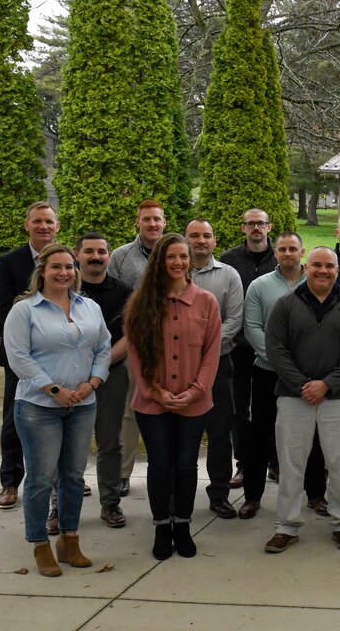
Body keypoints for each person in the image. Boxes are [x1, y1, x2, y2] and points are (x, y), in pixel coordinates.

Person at [4, 244, 110, 576]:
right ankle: (39, 545)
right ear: (42, 272)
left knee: (74, 477)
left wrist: (92, 383)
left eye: (69, 267)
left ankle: (69, 540)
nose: (64, 272)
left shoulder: (89, 306)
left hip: (83, 405)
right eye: (56, 267)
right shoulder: (25, 310)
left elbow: (104, 347)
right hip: (39, 407)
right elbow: (19, 357)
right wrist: (54, 389)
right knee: (39, 479)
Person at [262, 247, 340, 554]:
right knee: (292, 464)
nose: (323, 271)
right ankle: (287, 526)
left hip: (339, 397)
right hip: (294, 397)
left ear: (337, 270)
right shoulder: (285, 305)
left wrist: (327, 385)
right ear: (307, 267)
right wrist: (302, 385)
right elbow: (276, 349)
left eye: (329, 266)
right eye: (317, 265)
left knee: (339, 463)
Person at [124, 233, 221, 561]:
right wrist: (157, 392)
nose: (178, 263)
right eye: (171, 257)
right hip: (153, 403)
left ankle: (183, 523)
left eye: (183, 256)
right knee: (160, 465)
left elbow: (212, 354)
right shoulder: (140, 303)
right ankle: (161, 525)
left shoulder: (207, 301)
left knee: (185, 465)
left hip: (194, 403)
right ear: (159, 262)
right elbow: (136, 355)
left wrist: (194, 392)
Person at [0, 201, 60, 510]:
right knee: (15, 419)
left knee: (64, 416)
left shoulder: (66, 260)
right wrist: (32, 341)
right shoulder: (9, 262)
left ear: (57, 226)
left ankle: (64, 478)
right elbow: (4, 311)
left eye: (49, 221)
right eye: (37, 221)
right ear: (27, 225)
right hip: (20, 355)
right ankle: (10, 481)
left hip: (59, 354)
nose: (43, 226)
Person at [239, 232, 306, 519]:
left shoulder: (316, 281)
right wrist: (280, 361)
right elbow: (252, 327)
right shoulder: (260, 285)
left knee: (309, 435)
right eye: (282, 249)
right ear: (275, 252)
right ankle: (252, 497)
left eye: (293, 248)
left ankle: (315, 493)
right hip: (268, 371)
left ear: (302, 252)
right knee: (260, 433)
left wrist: (300, 367)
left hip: (307, 375)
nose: (288, 253)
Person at [185, 219, 245, 520]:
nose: (200, 241)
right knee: (184, 435)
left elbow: (234, 320)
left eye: (206, 235)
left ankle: (219, 494)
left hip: (219, 365)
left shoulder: (229, 275)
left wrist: (203, 352)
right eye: (194, 236)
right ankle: (179, 495)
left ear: (214, 240)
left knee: (220, 432)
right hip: (178, 367)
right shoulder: (172, 273)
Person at [109, 199, 169, 496]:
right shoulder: (121, 257)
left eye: (157, 219)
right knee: (132, 409)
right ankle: (122, 473)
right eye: (147, 219)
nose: (152, 224)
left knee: (172, 407)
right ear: (138, 222)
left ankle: (171, 470)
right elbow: (116, 302)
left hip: (173, 344)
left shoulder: (174, 251)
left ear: (164, 222)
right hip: (136, 343)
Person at [76, 233, 134, 528]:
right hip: (69, 380)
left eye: (101, 251)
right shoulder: (63, 288)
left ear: (109, 257)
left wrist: (96, 369)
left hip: (112, 374)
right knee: (67, 444)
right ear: (78, 256)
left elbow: (129, 335)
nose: (96, 256)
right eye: (89, 251)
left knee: (110, 441)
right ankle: (61, 506)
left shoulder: (123, 291)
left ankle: (110, 503)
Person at [220, 209, 277, 489]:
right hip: (239, 346)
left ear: (269, 227)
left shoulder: (281, 257)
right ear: (243, 228)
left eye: (261, 223)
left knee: (274, 407)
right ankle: (243, 464)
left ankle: (275, 462)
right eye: (251, 224)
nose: (256, 228)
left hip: (273, 348)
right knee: (238, 409)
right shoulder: (229, 261)